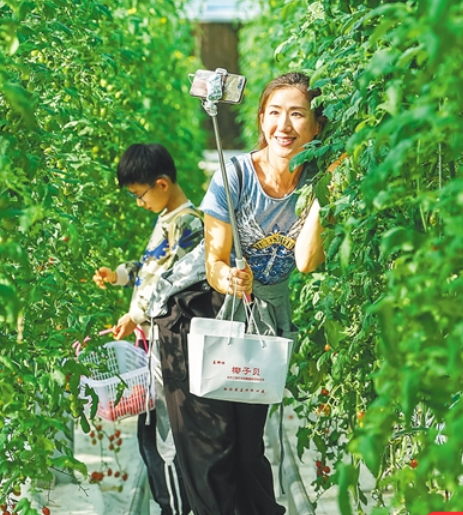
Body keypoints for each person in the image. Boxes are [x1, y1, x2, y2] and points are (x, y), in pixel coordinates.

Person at [151, 72, 327, 515]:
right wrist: (229, 276)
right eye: (274, 113)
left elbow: (305, 262)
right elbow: (213, 263)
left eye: (297, 115)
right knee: (212, 448)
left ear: (316, 126)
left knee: (248, 448)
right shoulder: (234, 177)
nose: (283, 126)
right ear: (261, 119)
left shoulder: (315, 183)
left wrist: (325, 191)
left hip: (260, 318)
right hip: (199, 314)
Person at [92, 143, 199, 515]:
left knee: (162, 437)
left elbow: (172, 284)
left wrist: (135, 315)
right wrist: (119, 275)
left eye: (141, 195)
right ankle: (170, 503)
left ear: (162, 184)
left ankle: (176, 507)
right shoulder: (168, 221)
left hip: (169, 345)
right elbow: (148, 266)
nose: (140, 203)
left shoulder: (189, 224)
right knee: (149, 431)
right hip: (154, 340)